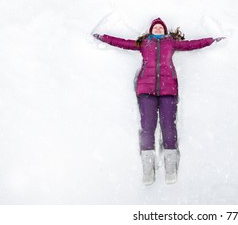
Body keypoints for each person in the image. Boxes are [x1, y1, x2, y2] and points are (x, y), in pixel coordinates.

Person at [93, 17, 225, 185]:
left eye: (160, 28)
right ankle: (148, 169)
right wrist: (104, 38)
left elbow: (191, 44)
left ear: (165, 31)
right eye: (155, 28)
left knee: (168, 126)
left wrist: (211, 41)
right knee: (148, 127)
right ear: (150, 30)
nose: (157, 30)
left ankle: (170, 167)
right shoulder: (144, 43)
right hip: (146, 91)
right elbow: (123, 43)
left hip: (168, 90)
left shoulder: (171, 43)